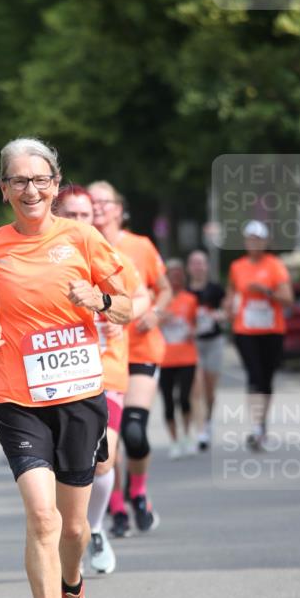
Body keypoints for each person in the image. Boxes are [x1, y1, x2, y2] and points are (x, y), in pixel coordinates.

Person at [0, 139, 131, 598]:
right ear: (3, 190)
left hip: (79, 396)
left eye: (40, 180)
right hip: (18, 398)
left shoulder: (82, 238)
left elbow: (127, 306)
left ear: (56, 185)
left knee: (74, 528)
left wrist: (100, 301)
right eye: (18, 180)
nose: (30, 190)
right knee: (42, 517)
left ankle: (73, 585)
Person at [55, 184, 150, 573]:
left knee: (104, 459)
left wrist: (116, 313)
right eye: (72, 215)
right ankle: (69, 532)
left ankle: (94, 528)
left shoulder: (111, 256)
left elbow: (140, 298)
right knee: (63, 467)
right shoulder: (43, 259)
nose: (80, 221)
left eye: (86, 215)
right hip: (59, 375)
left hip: (106, 371)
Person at [88, 182, 172, 535]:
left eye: (104, 201)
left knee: (134, 433)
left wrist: (155, 312)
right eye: (92, 202)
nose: (98, 207)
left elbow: (163, 289)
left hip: (140, 350)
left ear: (119, 209)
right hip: (102, 354)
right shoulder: (78, 247)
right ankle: (116, 506)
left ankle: (137, 492)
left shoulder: (140, 246)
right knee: (108, 440)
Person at [225, 220, 294, 451]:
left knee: (266, 379)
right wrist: (228, 307)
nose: (254, 243)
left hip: (272, 330)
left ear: (266, 242)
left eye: (258, 239)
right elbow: (231, 293)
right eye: (250, 239)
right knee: (254, 376)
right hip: (245, 331)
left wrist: (265, 291)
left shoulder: (275, 265)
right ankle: (256, 428)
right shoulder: (237, 266)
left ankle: (262, 424)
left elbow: (288, 299)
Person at [158, 259, 200, 459]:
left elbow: (197, 324)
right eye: (171, 274)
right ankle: (174, 441)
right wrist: (161, 320)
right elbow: (149, 325)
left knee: (184, 398)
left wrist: (192, 330)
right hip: (164, 357)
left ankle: (187, 436)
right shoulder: (159, 300)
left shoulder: (190, 299)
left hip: (186, 356)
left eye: (178, 274)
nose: (175, 278)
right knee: (168, 401)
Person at [186, 249, 226, 449]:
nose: (198, 267)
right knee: (196, 387)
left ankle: (208, 421)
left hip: (213, 342)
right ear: (189, 267)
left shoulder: (216, 289)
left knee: (210, 390)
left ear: (207, 267)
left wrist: (220, 315)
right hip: (192, 344)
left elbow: (227, 310)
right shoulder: (185, 292)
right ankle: (200, 431)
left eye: (201, 263)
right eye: (194, 263)